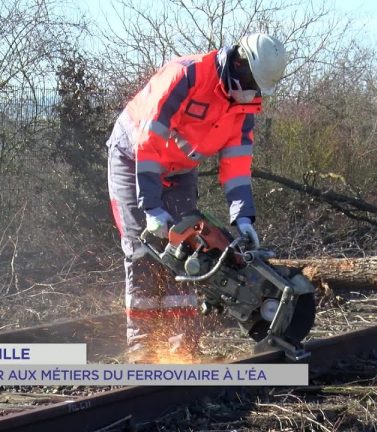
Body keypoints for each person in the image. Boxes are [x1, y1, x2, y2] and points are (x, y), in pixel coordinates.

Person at [106, 33, 288, 363]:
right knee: (142, 250)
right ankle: (144, 351)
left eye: (257, 87)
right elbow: (148, 143)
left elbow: (236, 167)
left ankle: (181, 349)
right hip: (133, 157)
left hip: (179, 167)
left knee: (189, 249)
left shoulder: (243, 109)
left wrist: (243, 217)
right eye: (249, 80)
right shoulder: (186, 76)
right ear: (238, 62)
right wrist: (151, 206)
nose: (250, 90)